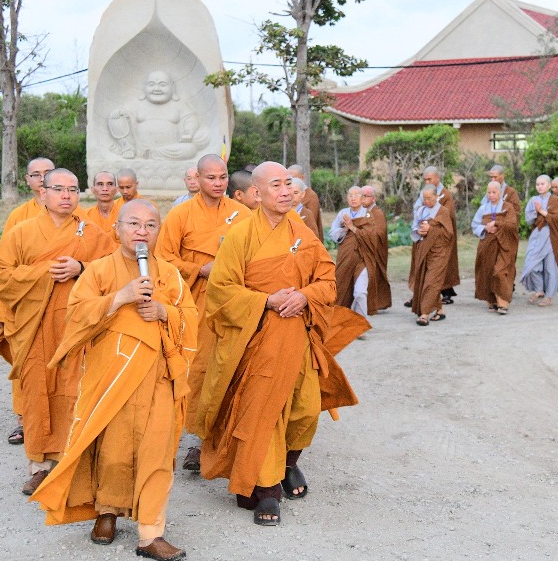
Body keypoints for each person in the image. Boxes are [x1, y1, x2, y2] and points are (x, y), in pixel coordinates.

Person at [196, 162, 367, 526]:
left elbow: (327, 280)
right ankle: (269, 488)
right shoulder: (240, 236)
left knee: (304, 409)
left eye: (289, 184)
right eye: (277, 185)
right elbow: (220, 292)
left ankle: (289, 464)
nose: (287, 190)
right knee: (264, 412)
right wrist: (266, 301)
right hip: (256, 341)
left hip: (298, 339)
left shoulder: (302, 232)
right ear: (257, 194)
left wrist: (304, 296)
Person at [29, 199, 196, 561]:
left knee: (157, 452)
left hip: (158, 377)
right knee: (113, 449)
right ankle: (106, 511)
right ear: (117, 229)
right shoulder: (99, 270)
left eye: (150, 225)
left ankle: (151, 533)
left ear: (158, 232)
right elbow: (76, 315)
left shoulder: (169, 273)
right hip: (112, 375)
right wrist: (121, 297)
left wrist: (164, 311)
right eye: (133, 224)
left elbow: (191, 315)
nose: (142, 231)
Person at [0, 169, 116, 495]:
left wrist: (82, 268)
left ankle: (74, 463)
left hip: (78, 332)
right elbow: (1, 276)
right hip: (34, 329)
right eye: (58, 189)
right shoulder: (21, 232)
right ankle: (39, 466)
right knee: (36, 394)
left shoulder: (94, 235)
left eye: (72, 190)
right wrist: (44, 273)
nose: (66, 196)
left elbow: (115, 270)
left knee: (76, 392)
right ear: (43, 193)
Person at [155, 154, 252, 473]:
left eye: (223, 177)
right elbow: (164, 258)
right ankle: (198, 440)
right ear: (197, 179)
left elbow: (256, 255)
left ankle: (226, 437)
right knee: (198, 373)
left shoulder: (242, 213)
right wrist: (200, 268)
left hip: (233, 306)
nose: (219, 183)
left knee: (231, 368)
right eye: (211, 178)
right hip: (195, 306)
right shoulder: (181, 215)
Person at [0, 156, 54, 446]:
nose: (41, 179)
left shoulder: (76, 215)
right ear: (27, 181)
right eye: (36, 175)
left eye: (47, 174)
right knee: (25, 361)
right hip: (24, 304)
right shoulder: (18, 216)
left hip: (61, 303)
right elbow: (1, 266)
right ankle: (24, 420)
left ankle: (61, 420)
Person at [330, 187, 389, 318]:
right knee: (342, 288)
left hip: (363, 259)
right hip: (346, 257)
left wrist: (352, 227)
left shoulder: (368, 215)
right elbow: (333, 234)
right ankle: (343, 319)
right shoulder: (342, 213)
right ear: (347, 198)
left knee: (360, 293)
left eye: (356, 195)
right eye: (350, 195)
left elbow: (372, 237)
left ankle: (361, 323)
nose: (353, 198)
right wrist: (345, 229)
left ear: (362, 199)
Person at [519, 175, 558, 307]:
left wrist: (543, 212)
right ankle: (539, 289)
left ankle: (549, 296)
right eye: (537, 184)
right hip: (537, 235)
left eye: (542, 184)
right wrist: (536, 212)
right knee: (531, 264)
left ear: (549, 185)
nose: (540, 186)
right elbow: (529, 220)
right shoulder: (533, 200)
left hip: (551, 236)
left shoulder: (556, 200)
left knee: (550, 267)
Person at [409, 185, 455, 324]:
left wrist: (431, 229)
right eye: (424, 198)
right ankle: (439, 310)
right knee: (424, 279)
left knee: (431, 282)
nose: (427, 201)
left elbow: (448, 234)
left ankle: (424, 314)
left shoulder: (443, 212)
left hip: (438, 252)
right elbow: (414, 227)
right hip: (423, 249)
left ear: (436, 196)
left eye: (429, 198)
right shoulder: (421, 210)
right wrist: (419, 231)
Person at [472, 181, 519, 313]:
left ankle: (503, 302)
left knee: (500, 271)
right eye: (489, 192)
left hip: (504, 245)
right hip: (487, 245)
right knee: (488, 271)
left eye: (494, 192)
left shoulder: (507, 207)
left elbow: (512, 224)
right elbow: (474, 225)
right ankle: (492, 301)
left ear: (500, 192)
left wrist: (497, 223)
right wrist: (485, 227)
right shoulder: (483, 208)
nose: (491, 195)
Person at [422, 166, 461, 302]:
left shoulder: (446, 195)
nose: (427, 182)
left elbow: (447, 215)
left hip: (442, 234)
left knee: (444, 263)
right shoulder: (425, 193)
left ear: (437, 178)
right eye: (425, 180)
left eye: (429, 179)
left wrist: (431, 223)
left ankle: (446, 292)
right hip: (426, 234)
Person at [360, 185, 392, 312]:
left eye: (365, 196)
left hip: (375, 251)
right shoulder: (362, 212)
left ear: (373, 198)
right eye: (361, 196)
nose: (362, 199)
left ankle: (377, 303)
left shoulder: (377, 213)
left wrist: (363, 232)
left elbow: (379, 232)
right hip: (364, 250)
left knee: (376, 276)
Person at [287, 164, 324, 239]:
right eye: (288, 179)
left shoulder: (311, 196)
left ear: (302, 178)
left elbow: (311, 222)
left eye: (293, 177)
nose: (291, 181)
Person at [83, 171, 123, 238]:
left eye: (110, 184)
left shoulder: (125, 216)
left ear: (116, 190)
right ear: (92, 189)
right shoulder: (85, 216)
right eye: (100, 184)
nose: (105, 189)